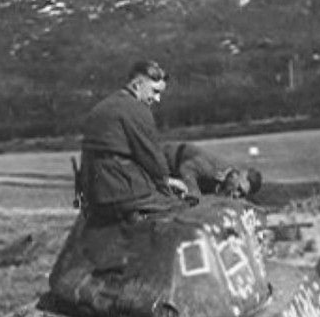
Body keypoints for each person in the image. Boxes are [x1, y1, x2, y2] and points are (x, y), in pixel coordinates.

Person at [79, 59, 188, 223]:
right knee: (182, 206)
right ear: (137, 85)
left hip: (92, 194)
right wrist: (166, 184)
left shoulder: (102, 107)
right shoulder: (136, 109)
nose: (157, 99)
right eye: (154, 91)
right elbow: (151, 156)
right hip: (121, 192)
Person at [162, 141, 263, 201]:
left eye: (242, 194)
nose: (237, 195)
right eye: (239, 189)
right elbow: (186, 168)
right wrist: (194, 193)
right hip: (165, 159)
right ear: (236, 175)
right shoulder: (215, 170)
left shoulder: (227, 182)